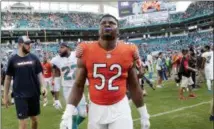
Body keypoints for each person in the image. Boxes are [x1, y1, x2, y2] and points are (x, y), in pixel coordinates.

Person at [60, 14, 150, 129]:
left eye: (112, 23)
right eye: (103, 23)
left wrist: (144, 113)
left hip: (120, 106)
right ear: (99, 30)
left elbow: (134, 85)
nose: (107, 24)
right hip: (95, 107)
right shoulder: (86, 50)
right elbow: (78, 85)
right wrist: (68, 113)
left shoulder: (129, 50)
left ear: (118, 30)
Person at [3, 36, 46, 129]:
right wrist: (5, 96)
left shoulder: (34, 58)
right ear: (19, 45)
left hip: (34, 94)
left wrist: (43, 86)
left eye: (30, 43)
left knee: (35, 120)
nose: (29, 45)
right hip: (19, 95)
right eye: (27, 44)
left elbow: (39, 74)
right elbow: (8, 78)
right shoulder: (13, 60)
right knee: (23, 125)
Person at [51, 43, 87, 129]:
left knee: (83, 114)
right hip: (67, 89)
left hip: (78, 88)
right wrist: (56, 99)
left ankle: (68, 126)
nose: (59, 49)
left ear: (68, 48)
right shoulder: (56, 60)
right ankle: (72, 126)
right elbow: (56, 78)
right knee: (73, 113)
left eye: (62, 47)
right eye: (59, 48)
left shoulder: (76, 55)